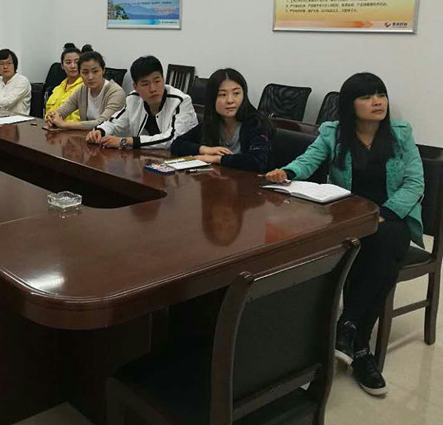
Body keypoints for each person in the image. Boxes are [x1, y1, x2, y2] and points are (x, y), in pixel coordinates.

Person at [265, 73, 424, 397]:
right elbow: (309, 160)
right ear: (350, 104)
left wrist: (385, 212)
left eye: (381, 94)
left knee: (385, 241)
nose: (377, 102)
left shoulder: (400, 133)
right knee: (380, 254)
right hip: (349, 218)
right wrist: (288, 172)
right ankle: (358, 343)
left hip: (392, 215)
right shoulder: (333, 133)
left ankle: (349, 330)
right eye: (367, 96)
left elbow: (414, 182)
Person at [171, 68, 273, 172]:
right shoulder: (212, 122)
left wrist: (217, 159)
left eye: (236, 93)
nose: (230, 100)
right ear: (212, 99)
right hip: (218, 179)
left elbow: (258, 162)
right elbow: (177, 144)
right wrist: (206, 150)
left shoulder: (256, 123)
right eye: (223, 94)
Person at [87, 56, 198, 149]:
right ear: (136, 87)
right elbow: (115, 123)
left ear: (163, 80)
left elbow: (173, 139)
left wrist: (127, 141)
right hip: (145, 159)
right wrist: (100, 131)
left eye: (157, 81)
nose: (153, 89)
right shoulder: (133, 98)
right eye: (145, 84)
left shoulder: (181, 101)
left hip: (181, 160)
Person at [45, 48, 126, 130]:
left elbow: (102, 122)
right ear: (80, 73)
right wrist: (52, 116)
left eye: (95, 71)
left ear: (103, 70)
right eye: (85, 72)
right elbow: (63, 111)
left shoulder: (116, 92)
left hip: (111, 137)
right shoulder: (82, 89)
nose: (90, 77)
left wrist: (64, 124)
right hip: (86, 136)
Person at [44, 43, 85, 122]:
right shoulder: (57, 89)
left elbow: (80, 119)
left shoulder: (86, 88)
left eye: (76, 62)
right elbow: (47, 113)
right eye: (68, 62)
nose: (73, 66)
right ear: (62, 66)